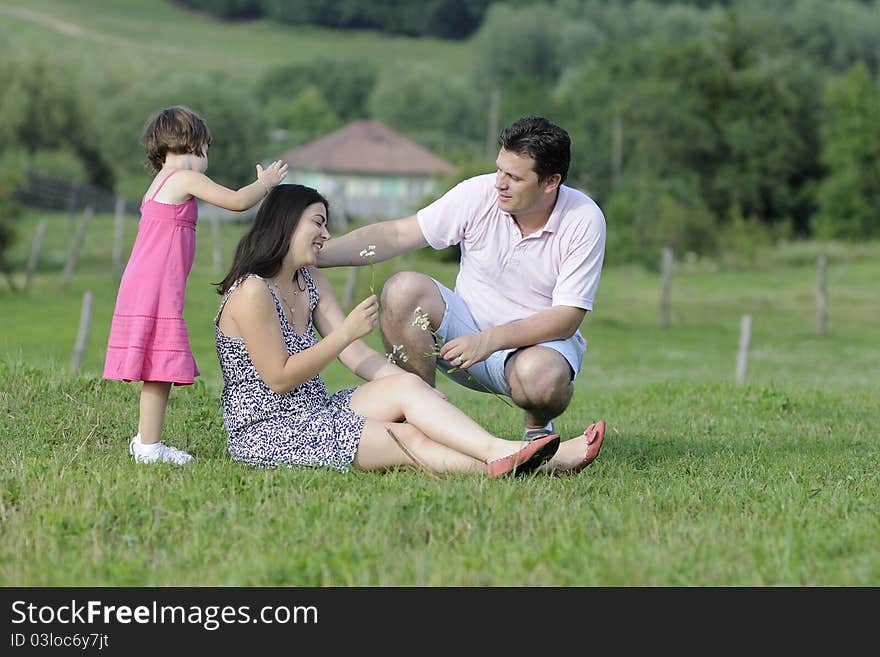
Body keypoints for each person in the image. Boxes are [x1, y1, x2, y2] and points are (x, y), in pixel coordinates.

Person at [213, 183, 579, 477]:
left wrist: (419, 390)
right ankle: (535, 462)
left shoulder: (308, 279)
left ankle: (507, 453)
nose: (325, 235)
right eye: (318, 222)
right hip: (267, 429)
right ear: (287, 222)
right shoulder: (252, 291)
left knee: (405, 386)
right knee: (407, 437)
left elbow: (355, 355)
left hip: (316, 408)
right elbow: (278, 378)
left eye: (326, 224)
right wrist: (345, 333)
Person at [317, 115, 606, 475]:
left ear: (551, 182)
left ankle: (537, 430)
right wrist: (317, 254)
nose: (500, 183)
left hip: (534, 347)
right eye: (500, 170)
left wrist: (489, 340)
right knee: (403, 288)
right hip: (462, 331)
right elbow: (395, 235)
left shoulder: (583, 218)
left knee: (541, 379)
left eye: (515, 178)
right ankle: (418, 422)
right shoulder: (478, 193)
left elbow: (567, 317)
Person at [103, 106, 288, 465]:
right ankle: (149, 447)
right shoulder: (182, 177)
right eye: (207, 149)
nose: (207, 158)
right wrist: (266, 183)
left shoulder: (159, 180)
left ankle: (146, 440)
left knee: (157, 367)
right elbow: (236, 201)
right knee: (159, 368)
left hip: (144, 282)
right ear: (194, 146)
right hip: (156, 286)